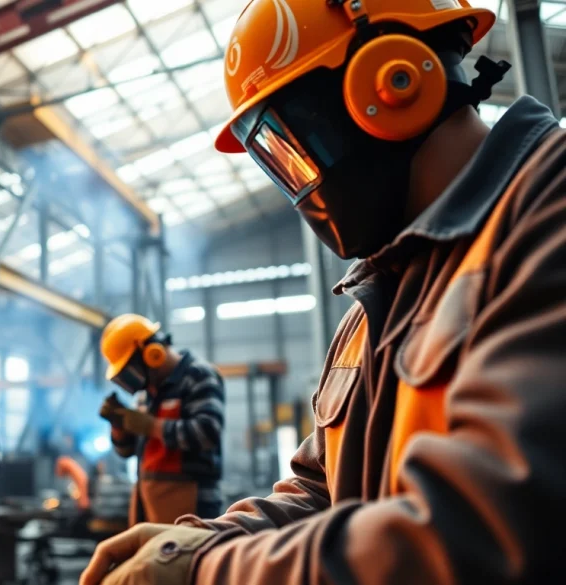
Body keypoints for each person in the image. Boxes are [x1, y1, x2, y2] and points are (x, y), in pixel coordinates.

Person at [80, 1, 566, 584]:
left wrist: (208, 570)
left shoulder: (546, 216)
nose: (298, 184)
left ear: (391, 81)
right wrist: (207, 537)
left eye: (290, 147)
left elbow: (485, 529)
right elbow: (321, 488)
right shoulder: (374, 306)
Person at [98, 313, 225, 526]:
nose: (134, 380)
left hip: (192, 506)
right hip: (149, 503)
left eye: (132, 369)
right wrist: (119, 426)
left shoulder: (199, 375)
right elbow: (127, 452)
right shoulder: (147, 393)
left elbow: (207, 433)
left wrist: (151, 426)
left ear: (151, 352)